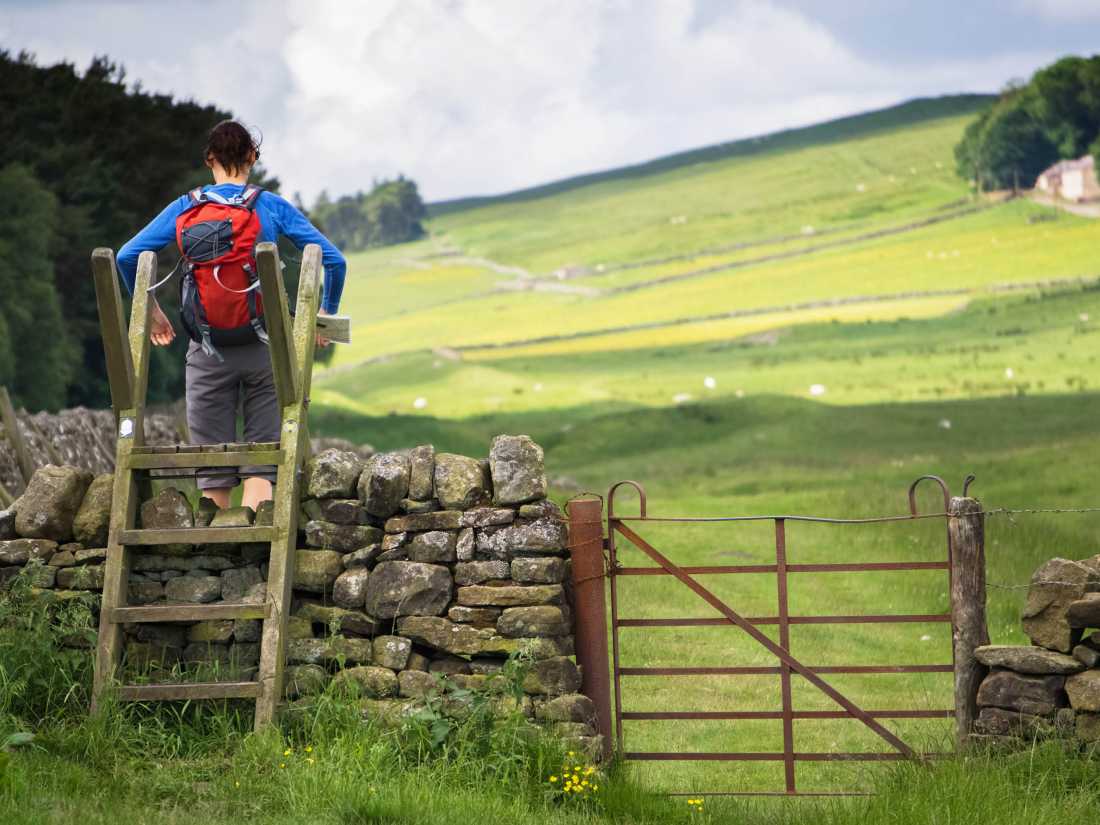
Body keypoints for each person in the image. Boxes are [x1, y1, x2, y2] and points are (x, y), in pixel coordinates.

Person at [117, 120, 346, 510]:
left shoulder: (185, 207)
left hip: (206, 350)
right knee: (263, 460)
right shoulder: (269, 206)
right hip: (266, 349)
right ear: (252, 157)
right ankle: (255, 545)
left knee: (213, 465)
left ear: (209, 160)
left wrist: (152, 312)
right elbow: (334, 261)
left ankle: (218, 549)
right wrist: (325, 315)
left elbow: (125, 256)